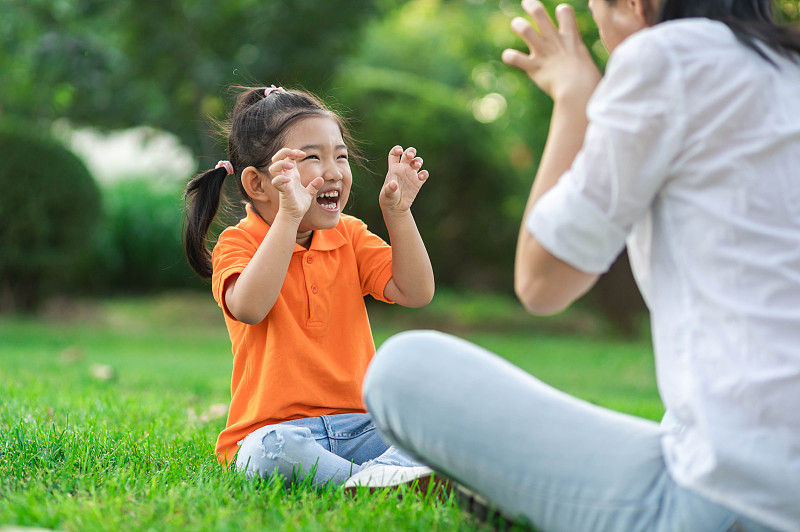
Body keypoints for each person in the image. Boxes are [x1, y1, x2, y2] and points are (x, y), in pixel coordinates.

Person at [361, 0, 800, 530]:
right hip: (744, 463)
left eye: (598, 18)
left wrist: (575, 99)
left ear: (638, 6)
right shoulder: (787, 66)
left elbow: (542, 283)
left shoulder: (666, 57)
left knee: (402, 369)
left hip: (740, 501)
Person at [182, 85, 436, 488]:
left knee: (428, 425)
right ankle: (375, 482)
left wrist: (399, 214)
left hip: (362, 427)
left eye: (340, 156)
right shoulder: (239, 242)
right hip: (275, 430)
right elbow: (250, 307)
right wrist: (288, 216)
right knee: (267, 452)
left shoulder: (350, 236)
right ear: (258, 184)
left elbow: (416, 292)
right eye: (313, 158)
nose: (333, 171)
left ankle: (371, 479)